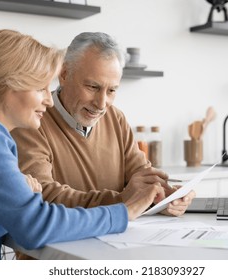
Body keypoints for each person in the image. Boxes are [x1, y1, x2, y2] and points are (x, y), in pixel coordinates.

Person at [0, 29, 164, 260]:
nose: (48, 99)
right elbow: (35, 226)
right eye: (40, 87)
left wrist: (23, 195)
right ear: (10, 86)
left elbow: (21, 213)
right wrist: (123, 213)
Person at [11, 32, 195, 215]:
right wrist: (123, 201)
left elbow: (141, 175)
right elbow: (44, 195)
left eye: (112, 90)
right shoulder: (32, 121)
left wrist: (165, 197)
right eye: (93, 87)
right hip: (61, 243)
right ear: (64, 74)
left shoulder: (116, 118)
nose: (101, 103)